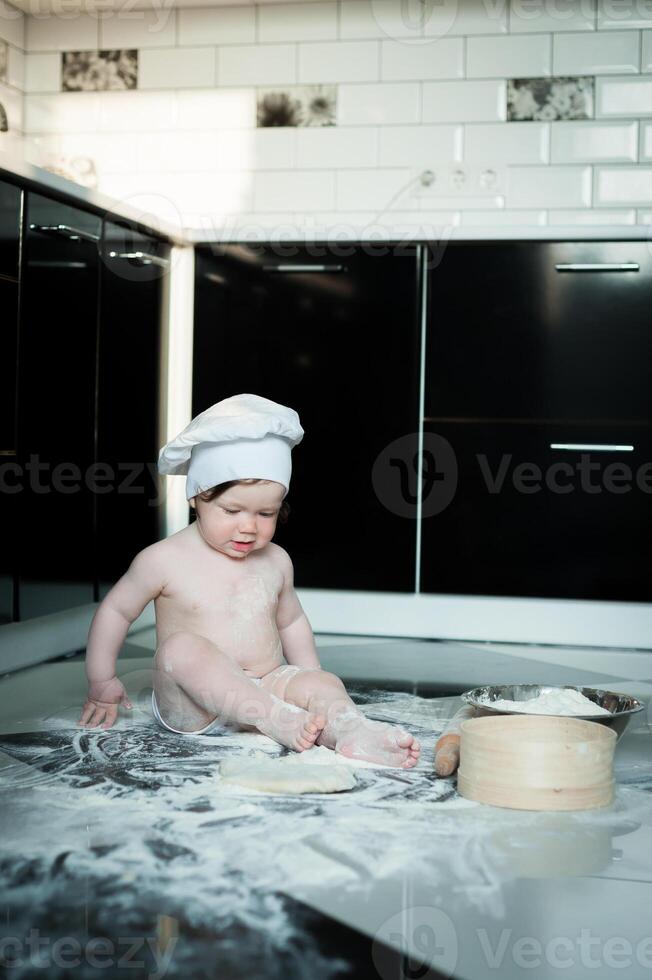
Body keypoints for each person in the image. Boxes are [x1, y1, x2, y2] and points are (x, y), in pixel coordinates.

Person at [78, 394, 421, 769]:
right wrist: (102, 678)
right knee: (180, 651)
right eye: (232, 510)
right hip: (194, 704)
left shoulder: (275, 560)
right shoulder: (163, 559)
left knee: (323, 685)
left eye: (266, 513)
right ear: (196, 497)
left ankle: (352, 731)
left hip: (268, 687)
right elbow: (115, 611)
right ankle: (276, 719)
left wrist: (310, 678)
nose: (248, 526)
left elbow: (291, 622)